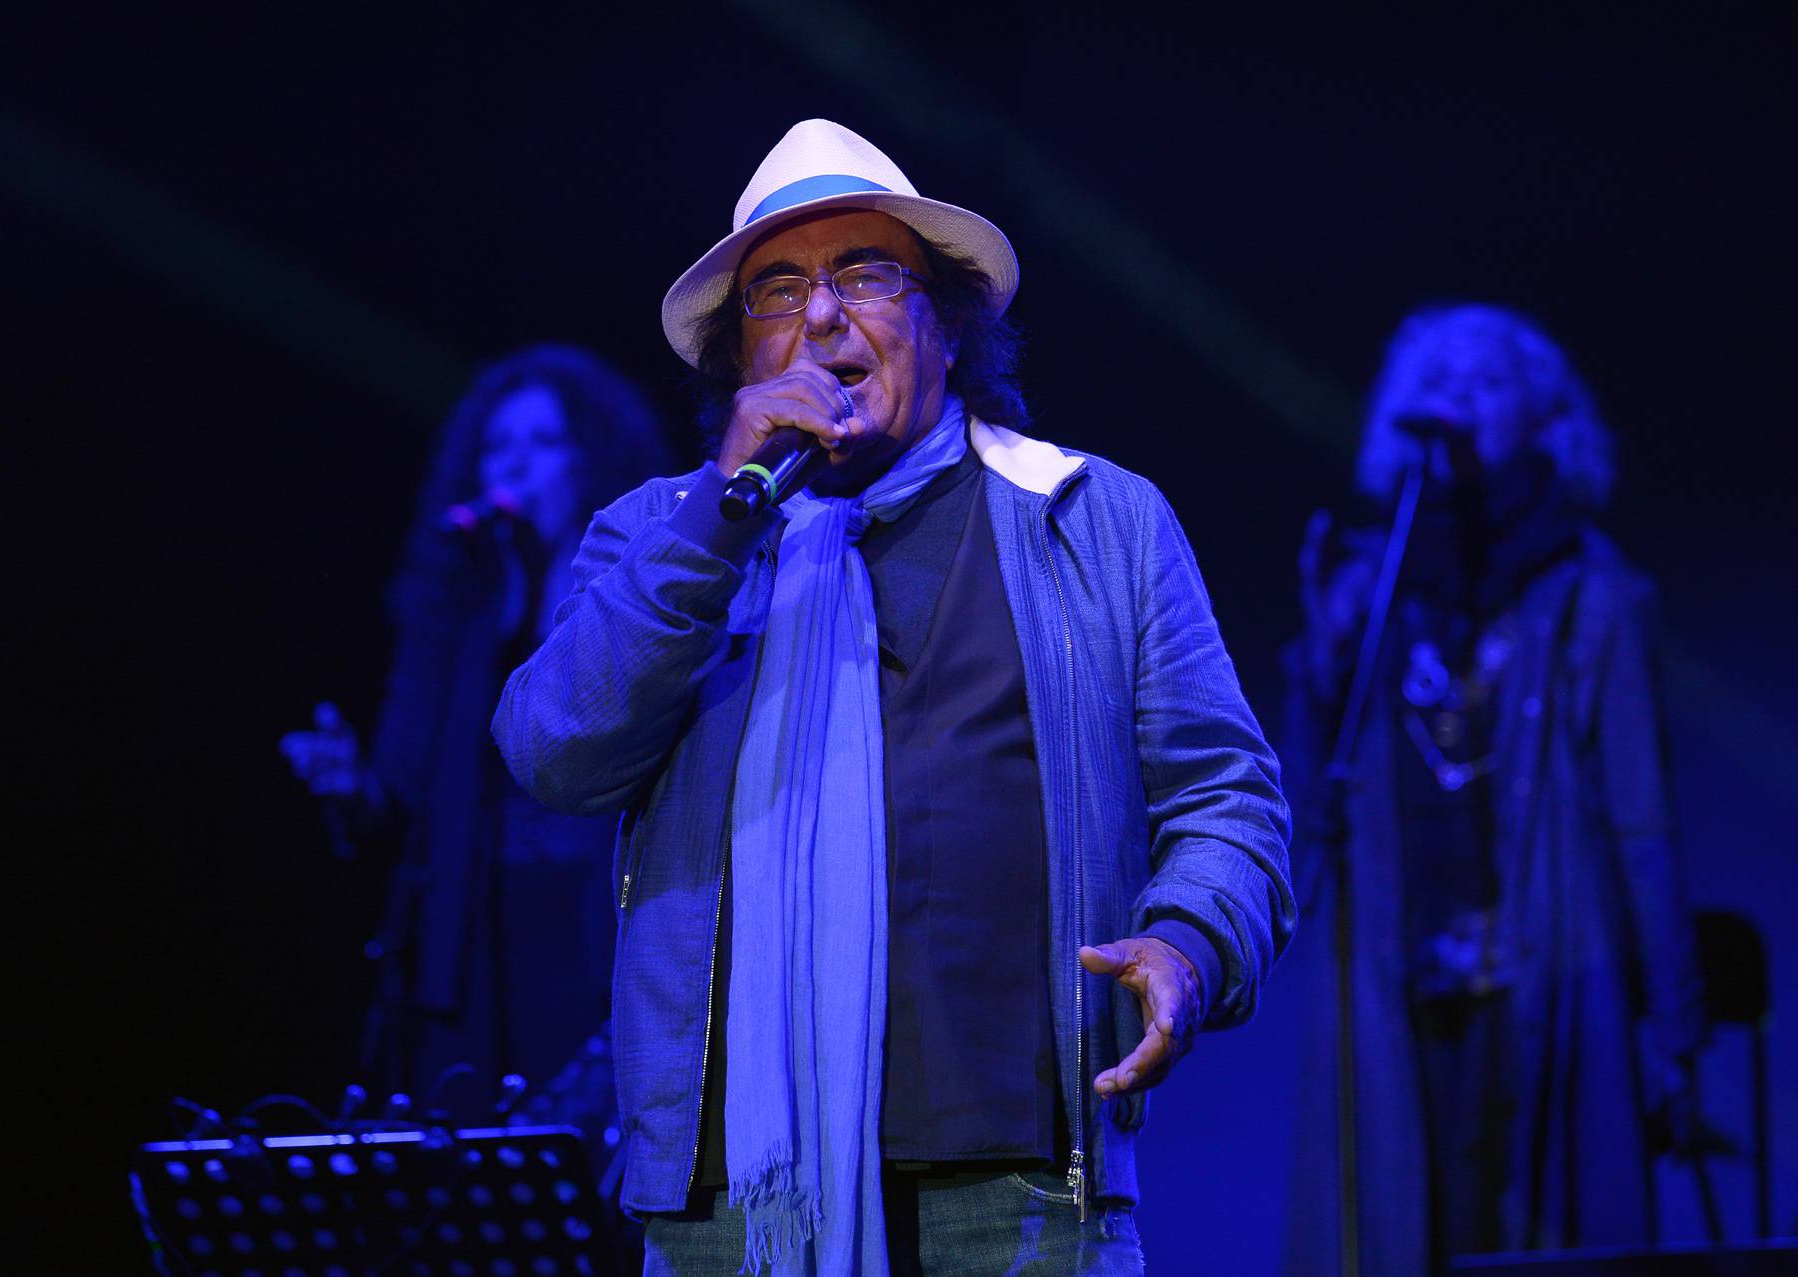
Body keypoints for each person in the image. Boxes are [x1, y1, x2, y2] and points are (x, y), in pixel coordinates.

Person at [492, 120, 1294, 1275]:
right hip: (733, 1207)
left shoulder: (1096, 520)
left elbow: (1229, 797)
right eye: (776, 290)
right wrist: (721, 515)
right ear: (738, 356)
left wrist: (1187, 941)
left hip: (1023, 1188)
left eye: (865, 274)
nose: (821, 317)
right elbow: (552, 751)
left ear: (948, 320)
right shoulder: (664, 534)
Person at [1281, 304, 1704, 1274]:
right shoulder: (1373, 587)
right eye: (1432, 380)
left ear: (1546, 420)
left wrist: (1672, 1025)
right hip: (1401, 978)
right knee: (1403, 1228)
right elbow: (1314, 805)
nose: (1452, 397)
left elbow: (1643, 820)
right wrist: (1318, 659)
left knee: (1536, 1233)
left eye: (1483, 381)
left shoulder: (1593, 594)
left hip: (1546, 975)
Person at [280, 344, 673, 1112]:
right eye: (497, 447)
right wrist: (349, 786)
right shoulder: (453, 619)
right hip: (471, 949)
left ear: (590, 461)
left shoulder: (631, 602)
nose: (515, 467)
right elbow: (398, 801)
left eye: (541, 444)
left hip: (600, 939)